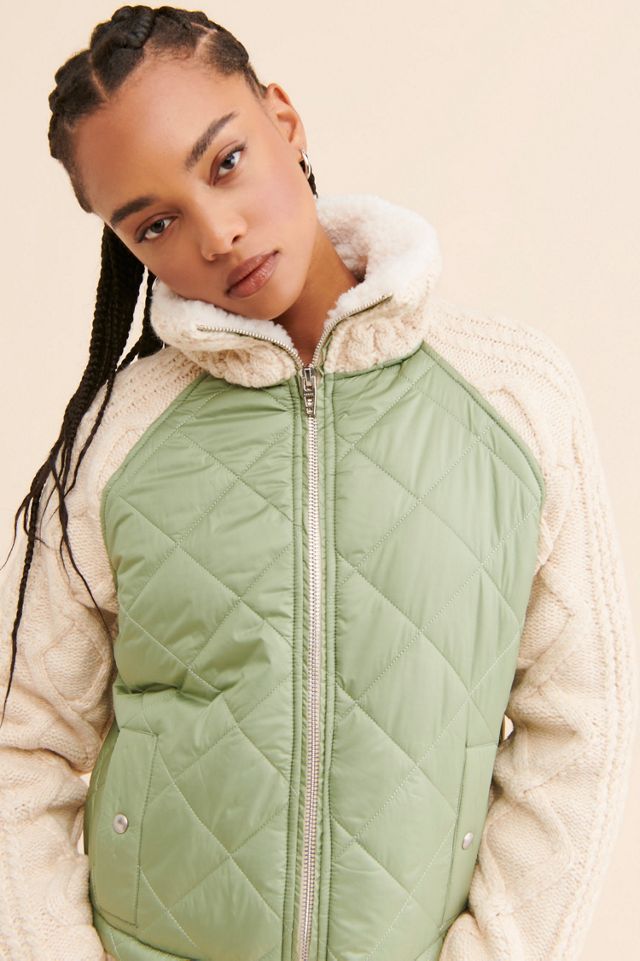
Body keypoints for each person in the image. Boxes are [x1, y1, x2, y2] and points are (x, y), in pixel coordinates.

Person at [0, 6, 637, 961]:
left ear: (285, 122)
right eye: (157, 223)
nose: (218, 233)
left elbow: (578, 725)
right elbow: (23, 744)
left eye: (225, 161)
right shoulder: (117, 440)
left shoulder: (512, 398)